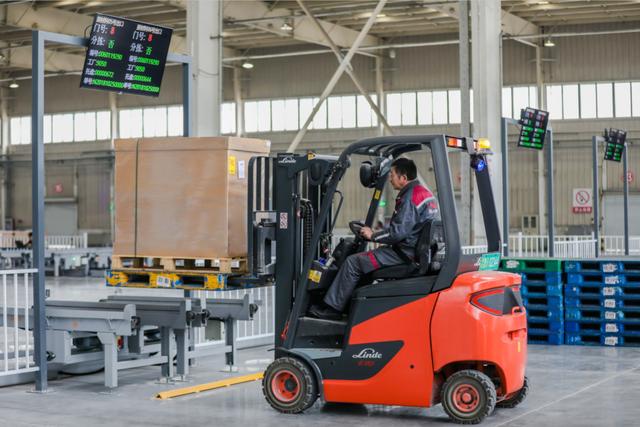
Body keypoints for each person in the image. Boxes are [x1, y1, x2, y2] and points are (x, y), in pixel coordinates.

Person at [309, 158, 439, 320]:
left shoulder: (410, 198)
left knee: (352, 262)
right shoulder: (425, 194)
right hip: (412, 251)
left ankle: (332, 310)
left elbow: (397, 233)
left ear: (403, 178)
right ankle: (351, 307)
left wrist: (373, 235)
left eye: (392, 175)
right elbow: (407, 228)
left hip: (403, 254)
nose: (390, 178)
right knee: (363, 264)